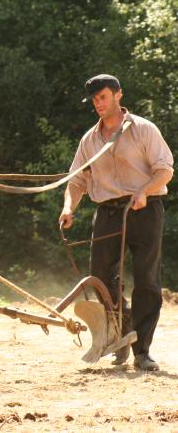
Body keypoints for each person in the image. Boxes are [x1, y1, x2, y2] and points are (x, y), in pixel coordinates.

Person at [59, 74, 173, 371]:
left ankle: (142, 351)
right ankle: (123, 332)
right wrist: (68, 207)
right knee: (100, 275)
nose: (98, 103)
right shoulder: (89, 139)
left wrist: (143, 191)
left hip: (145, 209)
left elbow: (165, 170)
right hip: (108, 212)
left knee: (146, 278)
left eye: (103, 97)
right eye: (94, 99)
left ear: (118, 95)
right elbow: (78, 180)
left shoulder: (144, 130)